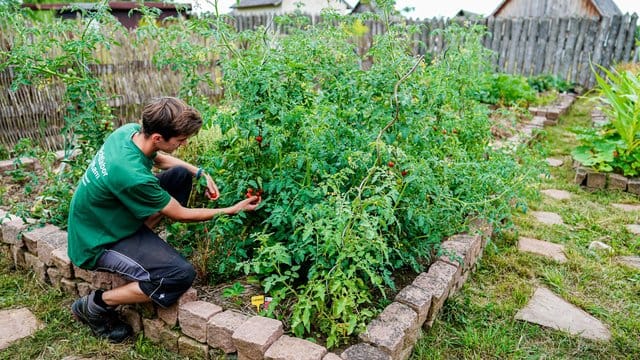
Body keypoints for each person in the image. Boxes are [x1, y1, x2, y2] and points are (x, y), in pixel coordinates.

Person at [67, 97, 261, 343]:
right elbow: (180, 214)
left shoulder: (128, 133)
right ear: (158, 137)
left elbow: (157, 158)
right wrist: (231, 209)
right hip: (97, 241)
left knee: (179, 175)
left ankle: (144, 244)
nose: (184, 143)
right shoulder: (132, 176)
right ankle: (95, 306)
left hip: (101, 219)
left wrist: (198, 171)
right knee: (178, 275)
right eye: (180, 140)